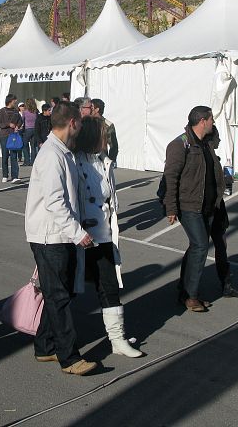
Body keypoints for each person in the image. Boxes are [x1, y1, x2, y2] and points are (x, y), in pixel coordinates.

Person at [25, 101, 97, 376]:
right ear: (72, 122)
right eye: (80, 121)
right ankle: (69, 357)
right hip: (49, 236)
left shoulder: (62, 152)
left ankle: (45, 346)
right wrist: (77, 233)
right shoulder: (52, 155)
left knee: (59, 293)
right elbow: (55, 202)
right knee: (59, 297)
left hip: (58, 234)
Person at [73, 116, 142, 358]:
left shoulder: (105, 162)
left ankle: (117, 339)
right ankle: (50, 338)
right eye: (105, 135)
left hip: (103, 237)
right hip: (79, 239)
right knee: (67, 291)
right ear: (93, 137)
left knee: (110, 287)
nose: (108, 140)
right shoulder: (75, 162)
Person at [163, 105, 224, 313]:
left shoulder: (206, 143)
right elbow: (170, 178)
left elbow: (216, 143)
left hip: (208, 205)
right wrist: (171, 208)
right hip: (189, 205)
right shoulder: (180, 144)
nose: (213, 123)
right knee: (200, 246)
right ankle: (191, 296)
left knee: (195, 247)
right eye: (211, 119)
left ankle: (184, 289)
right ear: (202, 121)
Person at [207, 126, 238, 298]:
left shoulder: (214, 157)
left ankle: (226, 284)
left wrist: (225, 180)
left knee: (221, 245)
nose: (219, 140)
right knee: (198, 248)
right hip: (206, 208)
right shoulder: (203, 157)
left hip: (218, 207)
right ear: (211, 140)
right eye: (217, 137)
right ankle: (186, 288)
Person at [0, 94, 22, 183]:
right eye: (15, 100)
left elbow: (20, 121)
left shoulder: (16, 111)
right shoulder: (2, 111)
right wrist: (8, 124)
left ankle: (15, 176)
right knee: (5, 156)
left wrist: (18, 126)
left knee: (14, 156)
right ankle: (5, 175)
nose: (16, 102)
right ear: (10, 101)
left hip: (13, 136)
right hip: (4, 136)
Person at [21, 98, 39, 166]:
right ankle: (33, 161)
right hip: (35, 129)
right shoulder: (36, 111)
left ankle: (27, 161)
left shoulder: (25, 112)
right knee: (33, 146)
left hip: (28, 129)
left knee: (25, 145)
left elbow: (22, 120)